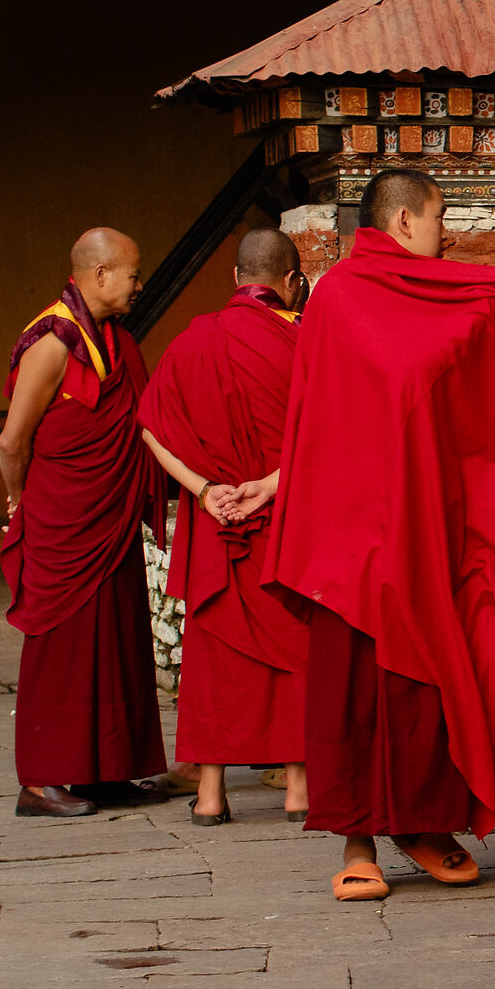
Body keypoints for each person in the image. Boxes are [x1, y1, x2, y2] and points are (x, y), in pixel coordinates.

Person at [266, 168, 495, 901]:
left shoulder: (461, 299)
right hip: (355, 540)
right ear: (407, 220)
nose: (446, 234)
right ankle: (357, 842)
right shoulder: (341, 300)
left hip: (435, 531)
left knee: (443, 681)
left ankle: (424, 825)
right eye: (441, 218)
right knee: (356, 691)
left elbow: (477, 405)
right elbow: (320, 421)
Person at [137, 229, 311, 825]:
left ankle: (211, 796)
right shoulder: (306, 341)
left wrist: (206, 492)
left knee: (212, 661)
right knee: (295, 648)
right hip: (283, 517)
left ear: (237, 280)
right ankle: (298, 791)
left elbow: (151, 430)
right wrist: (269, 486)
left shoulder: (194, 339)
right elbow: (329, 439)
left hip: (215, 522)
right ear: (291, 282)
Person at [0, 229, 172, 818]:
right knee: (63, 648)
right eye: (132, 275)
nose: (139, 285)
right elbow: (12, 440)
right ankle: (42, 779)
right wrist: (21, 504)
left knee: (118, 640)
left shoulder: (118, 340)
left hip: (110, 513)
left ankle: (107, 770)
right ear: (99, 275)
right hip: (62, 519)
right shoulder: (50, 342)